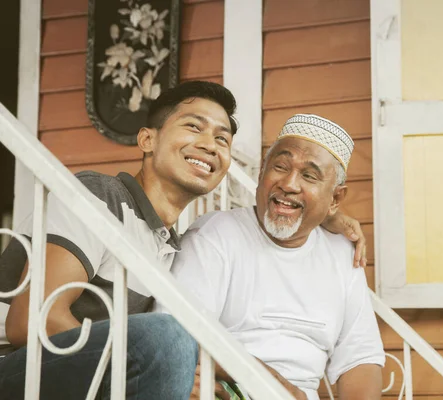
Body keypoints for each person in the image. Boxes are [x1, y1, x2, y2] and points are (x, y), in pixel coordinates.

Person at [0, 82, 367, 399]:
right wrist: (157, 367)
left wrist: (324, 215)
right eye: (194, 127)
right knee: (171, 336)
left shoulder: (166, 244)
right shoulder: (98, 196)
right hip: (17, 370)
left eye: (222, 138)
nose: (210, 144)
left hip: (75, 376)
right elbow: (29, 322)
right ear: (148, 138)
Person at [159, 114, 385, 400]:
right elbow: (177, 337)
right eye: (280, 167)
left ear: (336, 200)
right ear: (261, 175)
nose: (289, 184)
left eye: (309, 175)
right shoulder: (216, 234)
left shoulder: (342, 254)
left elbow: (360, 359)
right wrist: (278, 388)